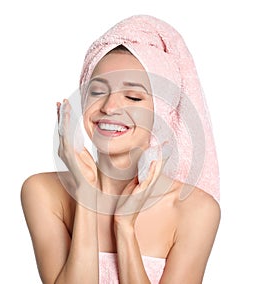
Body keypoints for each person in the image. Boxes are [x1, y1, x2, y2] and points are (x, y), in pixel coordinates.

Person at [21, 15, 221, 283]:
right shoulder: (43, 192)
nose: (110, 107)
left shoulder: (195, 210)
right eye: (97, 91)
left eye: (133, 97)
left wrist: (124, 228)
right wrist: (86, 194)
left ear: (162, 110)